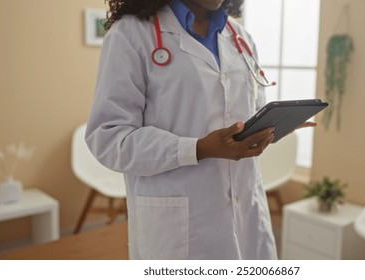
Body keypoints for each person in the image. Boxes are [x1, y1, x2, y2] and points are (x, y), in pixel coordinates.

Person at [85, 0, 315, 260]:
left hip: (246, 210)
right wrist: (198, 148)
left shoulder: (241, 38)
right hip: (178, 227)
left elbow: (246, 113)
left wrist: (272, 125)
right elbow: (109, 137)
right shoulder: (130, 34)